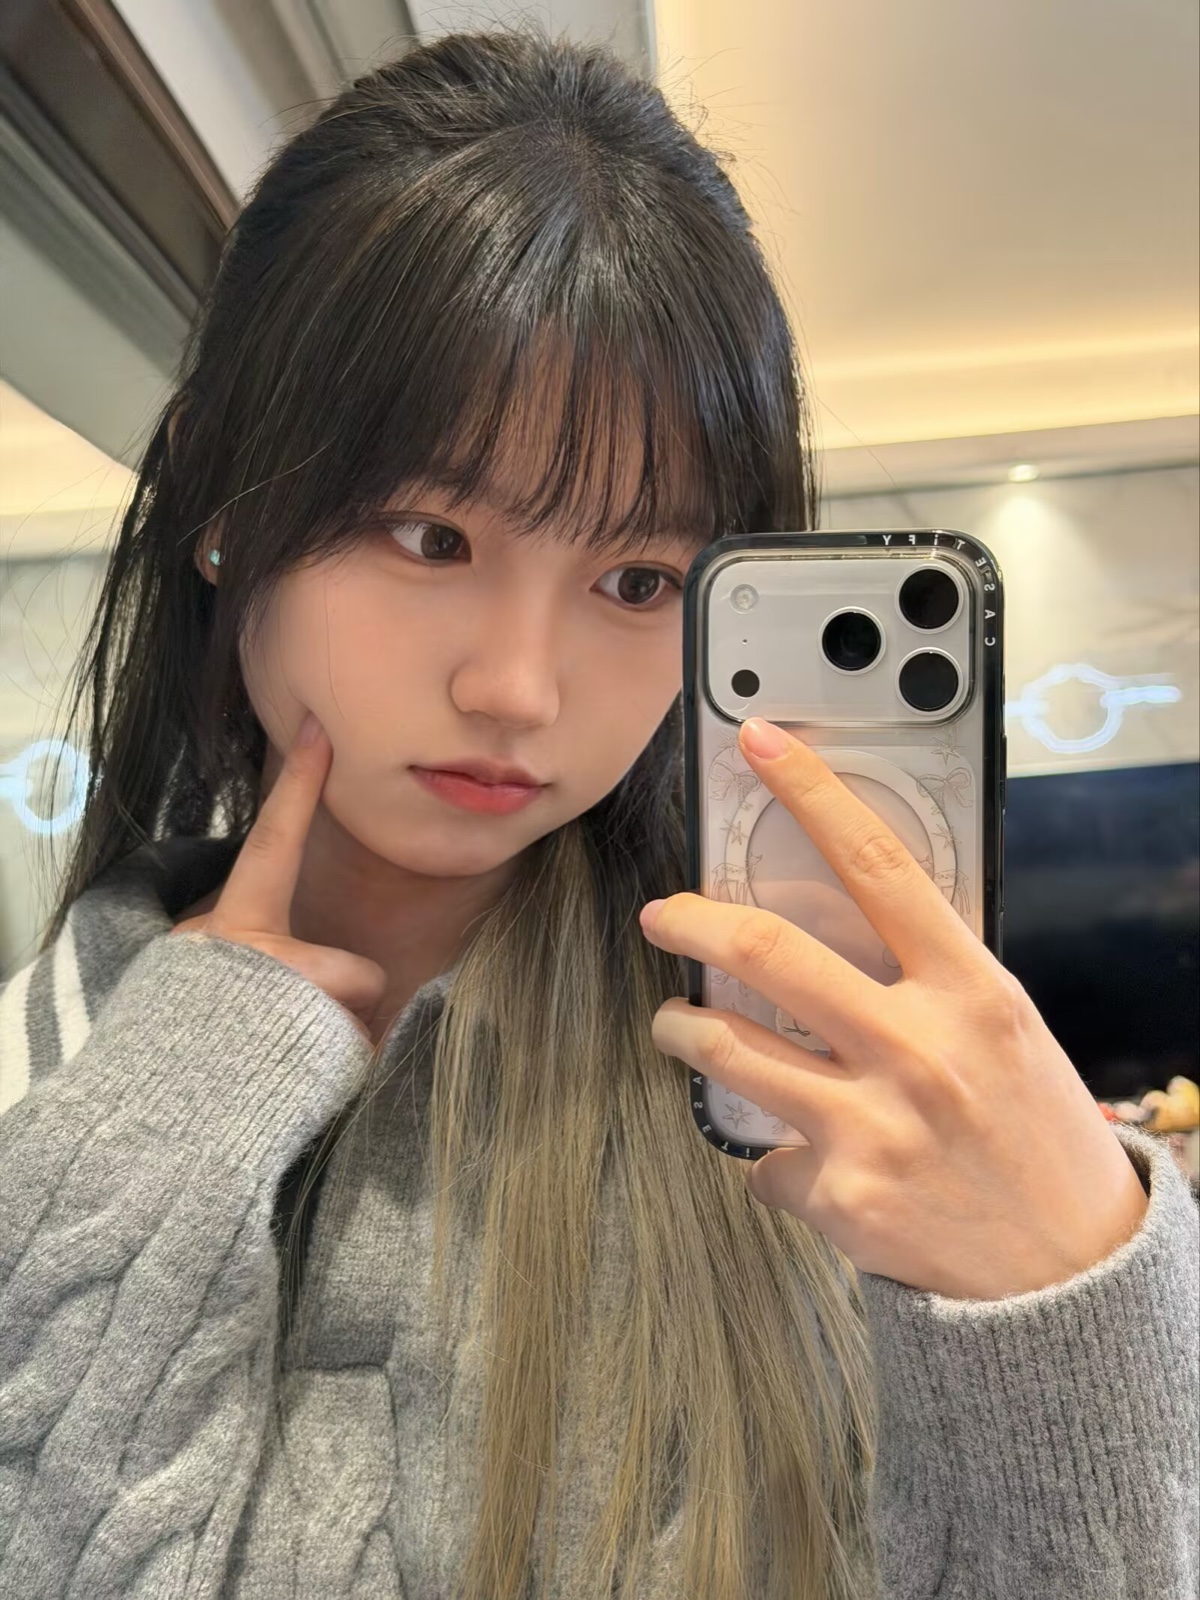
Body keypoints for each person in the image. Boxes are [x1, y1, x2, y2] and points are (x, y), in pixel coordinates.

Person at [0, 28, 1195, 1600]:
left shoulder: (790, 1098)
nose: (517, 688)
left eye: (637, 580)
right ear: (228, 514)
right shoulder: (42, 1076)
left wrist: (1069, 1312)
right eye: (429, 537)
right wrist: (176, 1116)